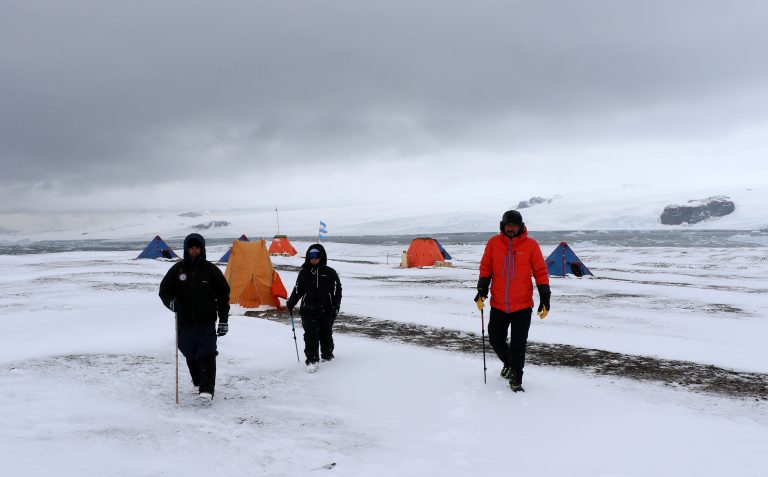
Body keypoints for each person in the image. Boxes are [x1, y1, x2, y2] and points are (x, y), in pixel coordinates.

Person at [475, 210, 550, 392]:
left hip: (522, 306)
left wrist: (545, 297)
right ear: (503, 226)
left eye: (514, 225)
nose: (511, 228)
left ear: (520, 226)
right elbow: (486, 267)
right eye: (508, 225)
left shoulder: (531, 245)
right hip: (499, 304)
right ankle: (511, 365)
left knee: (518, 345)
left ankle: (516, 379)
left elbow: (540, 272)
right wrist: (482, 289)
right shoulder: (494, 243)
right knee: (494, 339)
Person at [159, 233, 230, 402]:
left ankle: (207, 389)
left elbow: (223, 295)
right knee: (189, 351)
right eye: (191, 248)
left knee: (207, 352)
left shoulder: (211, 270)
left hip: (206, 320)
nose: (194, 251)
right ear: (186, 249)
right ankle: (198, 382)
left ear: (202, 249)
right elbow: (164, 291)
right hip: (185, 321)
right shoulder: (178, 269)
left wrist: (224, 320)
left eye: (197, 248)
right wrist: (171, 303)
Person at [286, 244, 342, 373]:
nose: (313, 259)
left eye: (315, 255)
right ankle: (312, 360)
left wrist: (336, 307)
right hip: (308, 310)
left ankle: (327, 356)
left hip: (326, 310)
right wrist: (291, 303)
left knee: (326, 334)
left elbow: (337, 291)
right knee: (310, 336)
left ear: (321, 256)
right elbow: (297, 290)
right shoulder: (304, 272)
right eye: (310, 256)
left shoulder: (330, 272)